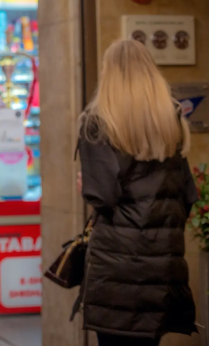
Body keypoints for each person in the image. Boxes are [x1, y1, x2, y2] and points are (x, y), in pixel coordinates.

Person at [77, 39, 197, 346]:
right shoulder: (170, 119)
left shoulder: (98, 123)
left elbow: (102, 195)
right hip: (163, 265)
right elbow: (187, 195)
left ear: (109, 74)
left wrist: (84, 185)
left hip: (118, 268)